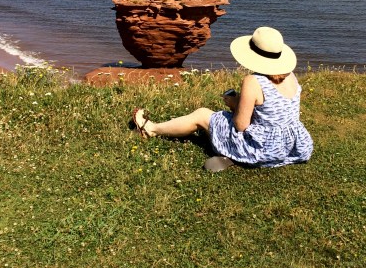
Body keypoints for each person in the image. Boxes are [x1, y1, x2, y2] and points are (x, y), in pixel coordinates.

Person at [132, 26, 313, 171]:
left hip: (262, 150)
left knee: (202, 114)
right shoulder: (291, 77)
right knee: (216, 118)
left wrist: (235, 104)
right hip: (287, 147)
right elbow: (272, 113)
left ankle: (150, 129)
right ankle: (232, 155)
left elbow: (241, 125)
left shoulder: (253, 81)